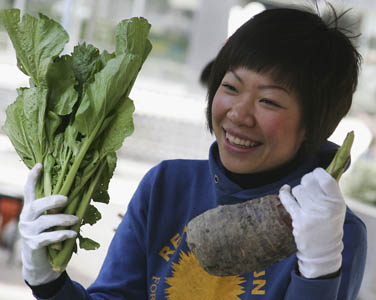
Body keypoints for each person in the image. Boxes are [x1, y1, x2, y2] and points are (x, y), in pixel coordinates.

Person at [19, 4, 367, 300]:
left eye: (269, 101)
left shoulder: (332, 234)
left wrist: (319, 273)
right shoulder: (167, 184)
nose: (238, 114)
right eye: (230, 87)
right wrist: (48, 284)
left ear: (314, 126)